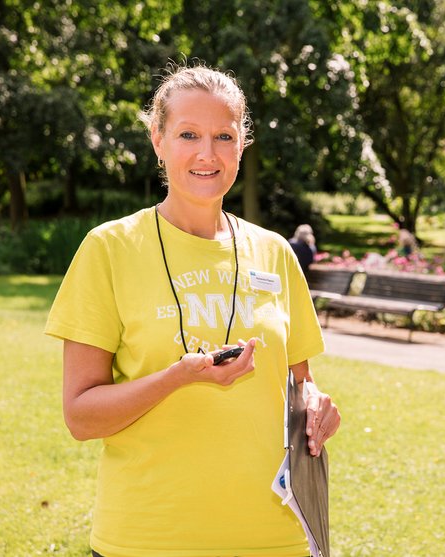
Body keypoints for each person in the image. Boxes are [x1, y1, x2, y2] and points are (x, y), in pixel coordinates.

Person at [44, 63, 340, 557]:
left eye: (224, 136)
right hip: (147, 539)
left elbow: (299, 384)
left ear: (242, 145)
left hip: (276, 540)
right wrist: (177, 378)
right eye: (188, 134)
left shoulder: (275, 253)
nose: (208, 153)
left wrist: (316, 406)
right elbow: (81, 417)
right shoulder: (109, 249)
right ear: (158, 140)